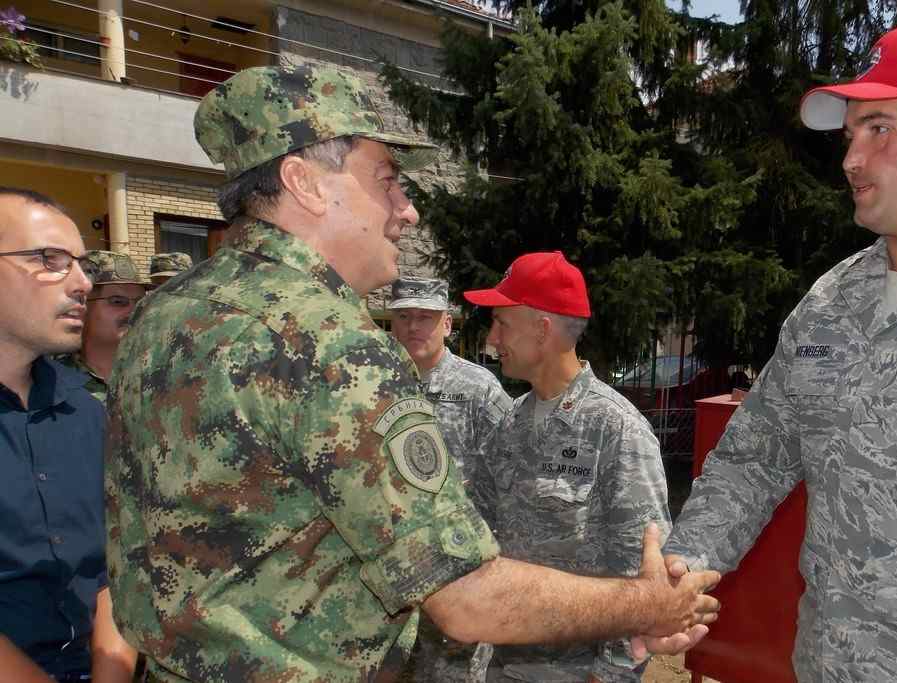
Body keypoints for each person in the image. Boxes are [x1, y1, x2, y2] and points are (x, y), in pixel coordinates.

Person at [104, 64, 720, 682]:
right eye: (388, 182)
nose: (408, 211)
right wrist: (651, 604)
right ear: (305, 183)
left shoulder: (162, 313)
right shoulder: (330, 345)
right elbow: (466, 597)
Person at [646, 23, 897, 682]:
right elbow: (754, 457)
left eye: (880, 128)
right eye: (851, 134)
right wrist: (682, 566)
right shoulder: (830, 303)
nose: (851, 159)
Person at [464, 251, 673, 683]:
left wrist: (609, 675)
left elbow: (645, 572)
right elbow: (476, 534)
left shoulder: (615, 429)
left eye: (502, 322)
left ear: (542, 330)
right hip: (504, 666)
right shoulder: (509, 424)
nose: (492, 338)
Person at [0, 188, 136, 682]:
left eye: (79, 264)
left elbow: (110, 571)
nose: (81, 283)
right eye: (49, 259)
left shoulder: (86, 411)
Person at [389, 276, 512, 683]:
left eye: (426, 317)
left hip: (458, 568)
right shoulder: (373, 382)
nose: (412, 326)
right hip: (389, 571)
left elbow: (510, 476)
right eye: (403, 316)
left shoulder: (478, 389)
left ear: (447, 324)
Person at [57, 250, 148, 403]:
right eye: (118, 301)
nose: (133, 311)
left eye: (140, 303)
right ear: (80, 305)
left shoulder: (159, 373)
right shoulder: (51, 380)